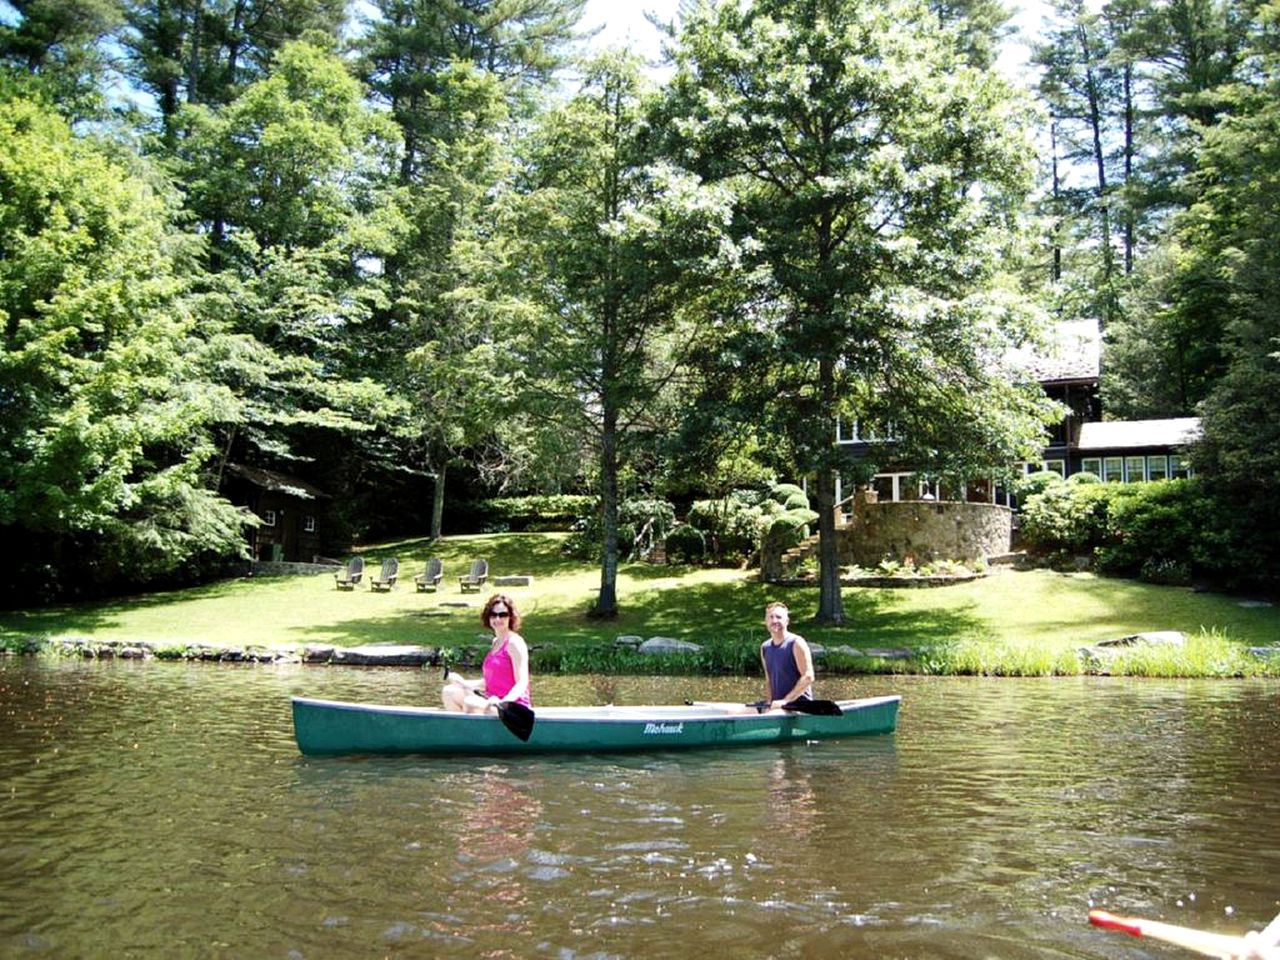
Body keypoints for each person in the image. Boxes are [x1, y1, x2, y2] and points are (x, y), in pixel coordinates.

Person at [441, 593, 532, 713]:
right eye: (493, 615)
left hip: (512, 706)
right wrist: (464, 683)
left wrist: (504, 701)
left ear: (511, 617)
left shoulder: (514, 643)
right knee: (449, 692)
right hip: (491, 700)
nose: (497, 619)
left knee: (470, 702)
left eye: (503, 615)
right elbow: (492, 681)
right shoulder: (496, 642)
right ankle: (459, 731)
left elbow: (522, 682)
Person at [760, 601, 815, 709]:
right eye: (771, 617)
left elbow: (808, 677)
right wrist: (769, 703)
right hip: (777, 706)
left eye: (779, 617)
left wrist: (785, 701)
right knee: (734, 713)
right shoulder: (765, 647)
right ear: (766, 621)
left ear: (787, 621)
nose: (774, 620)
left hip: (798, 705)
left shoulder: (796, 643)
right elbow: (769, 680)